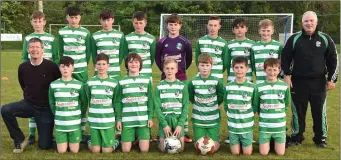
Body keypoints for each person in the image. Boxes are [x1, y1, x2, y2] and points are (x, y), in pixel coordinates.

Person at [282, 11, 338, 148]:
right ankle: (297, 136)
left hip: (318, 82)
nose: (309, 23)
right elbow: (284, 57)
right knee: (298, 111)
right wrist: (286, 75)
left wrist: (332, 79)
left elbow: (334, 60)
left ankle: (320, 138)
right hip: (298, 82)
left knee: (319, 111)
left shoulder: (325, 39)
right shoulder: (294, 39)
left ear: (316, 22)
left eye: (312, 21)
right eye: (306, 21)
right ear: (302, 23)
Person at [1, 38, 61, 153]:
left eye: (37, 47)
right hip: (28, 104)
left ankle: (50, 137)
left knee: (44, 146)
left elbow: (57, 86)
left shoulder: (52, 67)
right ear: (28, 50)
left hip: (45, 108)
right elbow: (23, 85)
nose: (35, 50)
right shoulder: (23, 67)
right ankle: (19, 139)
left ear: (42, 50)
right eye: (32, 47)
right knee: (5, 110)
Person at [21, 11, 59, 145]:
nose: (37, 24)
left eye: (40, 21)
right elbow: (24, 58)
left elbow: (56, 57)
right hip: (33, 74)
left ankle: (50, 132)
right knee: (32, 101)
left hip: (48, 75)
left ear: (44, 22)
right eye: (35, 21)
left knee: (49, 102)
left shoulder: (51, 38)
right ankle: (31, 134)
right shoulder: (27, 39)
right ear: (31, 22)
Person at [155, 13, 193, 143]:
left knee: (181, 105)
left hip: (181, 77)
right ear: (167, 26)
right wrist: (164, 71)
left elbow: (189, 60)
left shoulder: (185, 42)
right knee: (165, 104)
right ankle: (163, 129)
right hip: (166, 76)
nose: (173, 27)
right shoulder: (161, 42)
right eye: (170, 24)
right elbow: (157, 58)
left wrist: (180, 70)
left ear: (180, 25)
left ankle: (184, 132)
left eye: (175, 24)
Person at [58, 6, 91, 136]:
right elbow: (61, 52)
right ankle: (68, 126)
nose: (73, 20)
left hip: (81, 72)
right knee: (68, 99)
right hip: (67, 72)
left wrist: (82, 65)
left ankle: (82, 131)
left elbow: (88, 52)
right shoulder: (61, 32)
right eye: (71, 17)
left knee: (83, 101)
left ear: (80, 18)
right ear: (67, 18)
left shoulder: (85, 32)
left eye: (76, 17)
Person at [224, 17, 255, 143]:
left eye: (242, 27)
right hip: (232, 80)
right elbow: (226, 63)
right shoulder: (229, 44)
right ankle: (231, 134)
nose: (239, 30)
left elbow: (252, 62)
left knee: (247, 108)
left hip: (247, 82)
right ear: (233, 30)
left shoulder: (252, 44)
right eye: (236, 27)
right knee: (232, 108)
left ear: (246, 28)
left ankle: (248, 134)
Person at [115, 53, 154, 152]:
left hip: (143, 120)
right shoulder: (121, 82)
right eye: (130, 62)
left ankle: (137, 139)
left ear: (140, 64)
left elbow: (150, 100)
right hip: (128, 120)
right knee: (126, 150)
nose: (133, 64)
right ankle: (117, 140)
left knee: (144, 150)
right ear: (127, 64)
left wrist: (150, 117)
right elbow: (118, 102)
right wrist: (119, 119)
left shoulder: (146, 80)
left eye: (136, 62)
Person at [49, 56, 87, 153]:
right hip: (60, 122)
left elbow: (84, 102)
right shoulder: (53, 85)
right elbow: (52, 102)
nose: (65, 68)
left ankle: (86, 139)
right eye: (62, 66)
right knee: (62, 151)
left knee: (74, 151)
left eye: (68, 66)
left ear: (72, 68)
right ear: (59, 68)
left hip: (74, 123)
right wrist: (57, 113)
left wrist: (79, 114)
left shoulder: (79, 85)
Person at [187, 53, 224, 152]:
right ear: (198, 65)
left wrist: (216, 104)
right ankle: (198, 137)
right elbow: (190, 95)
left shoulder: (217, 81)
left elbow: (221, 96)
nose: (204, 68)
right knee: (199, 146)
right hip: (198, 119)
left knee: (213, 148)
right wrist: (196, 102)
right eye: (202, 65)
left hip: (213, 119)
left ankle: (217, 139)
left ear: (211, 66)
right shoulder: (192, 81)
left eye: (207, 65)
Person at [255, 58, 290, 156]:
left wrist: (279, 114)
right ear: (265, 70)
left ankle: (276, 141)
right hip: (265, 126)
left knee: (280, 153)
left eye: (275, 70)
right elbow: (257, 105)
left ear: (279, 71)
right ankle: (268, 141)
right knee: (263, 153)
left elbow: (286, 104)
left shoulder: (284, 86)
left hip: (279, 126)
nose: (272, 72)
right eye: (269, 69)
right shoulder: (258, 87)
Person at [86, 53, 120, 153]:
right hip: (94, 119)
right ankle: (88, 139)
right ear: (95, 65)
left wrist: (118, 119)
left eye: (104, 64)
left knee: (107, 151)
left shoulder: (114, 83)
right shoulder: (89, 82)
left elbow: (116, 103)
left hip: (108, 120)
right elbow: (88, 100)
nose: (101, 67)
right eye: (99, 64)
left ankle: (117, 139)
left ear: (108, 66)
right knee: (95, 150)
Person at [154, 58, 189, 152]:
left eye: (172, 68)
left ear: (177, 69)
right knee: (163, 149)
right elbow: (157, 108)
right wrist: (164, 125)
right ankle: (159, 140)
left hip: (177, 119)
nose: (170, 71)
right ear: (163, 69)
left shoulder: (182, 86)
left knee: (180, 149)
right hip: (165, 119)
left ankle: (175, 134)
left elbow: (186, 107)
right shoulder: (159, 87)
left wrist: (180, 125)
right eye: (167, 68)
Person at [224, 56, 257, 155]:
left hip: (246, 126)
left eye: (242, 67)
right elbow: (226, 105)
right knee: (235, 153)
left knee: (247, 153)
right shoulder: (228, 86)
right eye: (236, 67)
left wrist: (248, 115)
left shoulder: (252, 87)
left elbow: (254, 105)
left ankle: (246, 142)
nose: (239, 70)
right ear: (233, 69)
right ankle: (236, 141)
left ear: (247, 69)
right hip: (233, 126)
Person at [91, 9, 126, 79]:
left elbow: (121, 54)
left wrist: (115, 65)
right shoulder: (95, 35)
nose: (106, 23)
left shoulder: (120, 35)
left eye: (108, 20)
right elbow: (94, 55)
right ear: (100, 21)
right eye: (103, 20)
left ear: (113, 20)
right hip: (100, 71)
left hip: (115, 71)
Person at [124, 11, 156, 79]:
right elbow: (126, 57)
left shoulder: (151, 38)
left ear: (145, 23)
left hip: (146, 72)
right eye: (136, 23)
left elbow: (152, 57)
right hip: (132, 72)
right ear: (133, 23)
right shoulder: (127, 38)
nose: (138, 25)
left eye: (141, 23)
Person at [251, 19, 283, 84]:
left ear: (272, 31)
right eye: (263, 31)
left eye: (268, 31)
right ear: (259, 31)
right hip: (259, 81)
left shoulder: (278, 46)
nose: (266, 33)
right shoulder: (254, 47)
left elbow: (281, 63)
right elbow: (253, 64)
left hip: (274, 81)